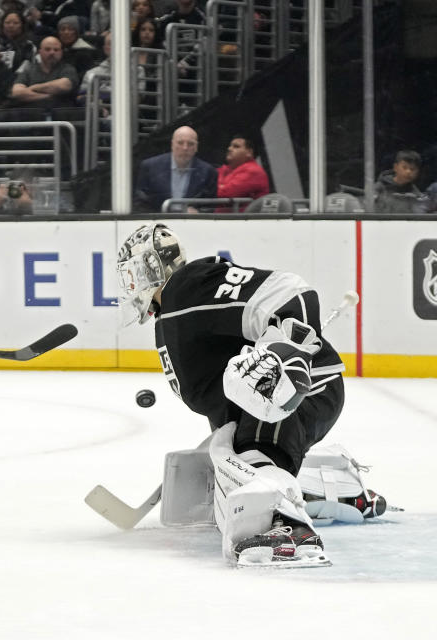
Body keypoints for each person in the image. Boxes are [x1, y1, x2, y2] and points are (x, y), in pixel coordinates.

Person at [112, 223, 348, 566]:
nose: (129, 285)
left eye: (130, 273)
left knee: (259, 452)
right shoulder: (176, 307)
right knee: (244, 456)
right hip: (265, 406)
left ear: (149, 266)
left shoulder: (190, 286)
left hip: (300, 393)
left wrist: (287, 356)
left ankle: (290, 529)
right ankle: (335, 491)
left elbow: (291, 292)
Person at [132, 125, 217, 213]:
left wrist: (198, 213)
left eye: (190, 144)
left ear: (196, 147)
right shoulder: (150, 167)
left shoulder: (208, 172)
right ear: (172, 144)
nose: (185, 148)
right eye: (180, 143)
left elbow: (210, 207)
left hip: (192, 223)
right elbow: (140, 204)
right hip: (158, 223)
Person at [10, 36, 79, 110]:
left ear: (61, 52)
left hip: (62, 117)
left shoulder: (68, 69)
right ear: (40, 52)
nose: (52, 52)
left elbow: (64, 85)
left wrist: (33, 88)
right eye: (47, 49)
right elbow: (17, 92)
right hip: (33, 117)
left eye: (56, 50)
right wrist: (49, 96)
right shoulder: (29, 70)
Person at [216, 136, 271, 210]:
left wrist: (220, 187)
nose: (229, 149)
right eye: (230, 146)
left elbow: (225, 194)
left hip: (244, 220)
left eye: (236, 146)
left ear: (249, 152)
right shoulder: (223, 169)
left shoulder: (254, 171)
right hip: (221, 218)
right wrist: (220, 187)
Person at [374, 150, 427, 214]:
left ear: (417, 172)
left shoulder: (416, 195)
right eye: (404, 167)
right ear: (395, 167)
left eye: (412, 169)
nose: (408, 172)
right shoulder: (379, 188)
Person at [56, 15, 101, 79]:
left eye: (70, 29)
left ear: (77, 32)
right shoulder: (55, 49)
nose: (66, 32)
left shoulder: (86, 52)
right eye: (62, 29)